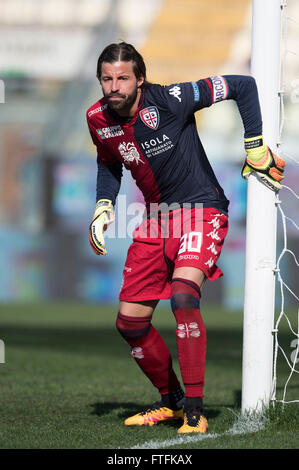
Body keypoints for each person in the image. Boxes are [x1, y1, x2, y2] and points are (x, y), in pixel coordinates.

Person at [86, 42, 285, 434]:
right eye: (107, 79)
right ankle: (172, 402)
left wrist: (254, 145)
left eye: (123, 78)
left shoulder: (173, 99)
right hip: (156, 218)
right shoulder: (96, 117)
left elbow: (243, 85)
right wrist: (103, 205)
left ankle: (195, 411)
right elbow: (108, 162)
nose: (114, 87)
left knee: (182, 296)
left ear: (139, 79)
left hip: (201, 209)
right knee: (130, 322)